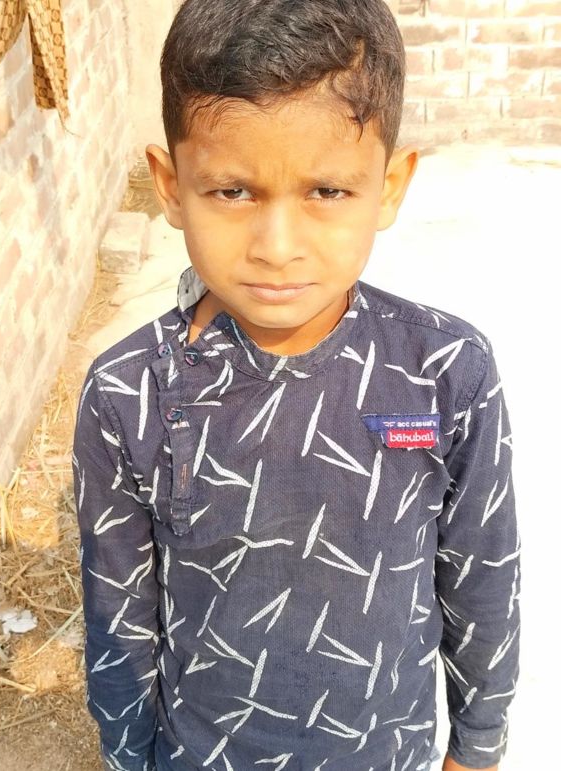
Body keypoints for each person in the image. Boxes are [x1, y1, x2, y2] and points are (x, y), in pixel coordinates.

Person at [72, 1, 519, 769]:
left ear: (389, 185)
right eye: (233, 191)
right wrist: (126, 755)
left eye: (327, 191)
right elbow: (120, 616)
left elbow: (483, 577)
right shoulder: (127, 395)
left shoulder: (446, 372)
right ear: (171, 185)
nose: (277, 247)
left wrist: (478, 746)